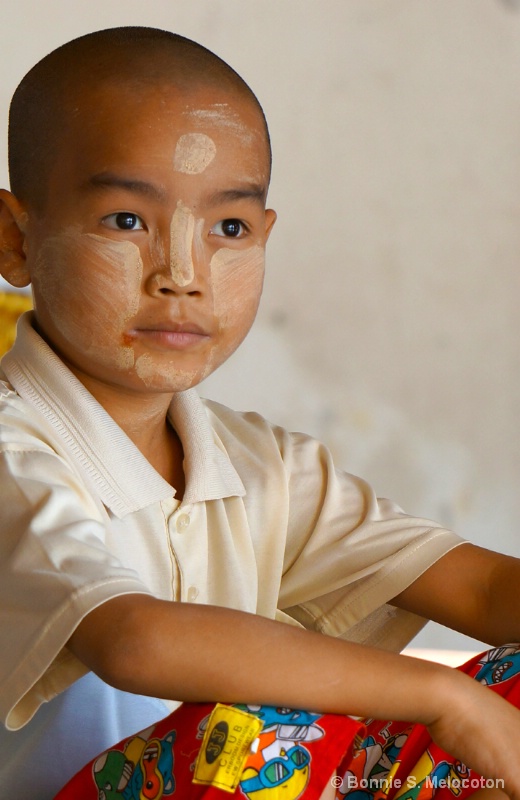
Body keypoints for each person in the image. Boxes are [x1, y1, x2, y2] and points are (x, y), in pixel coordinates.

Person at [0, 26, 519, 800]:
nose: (184, 275)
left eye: (229, 229)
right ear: (14, 240)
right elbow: (134, 637)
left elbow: (479, 592)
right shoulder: (14, 449)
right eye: (126, 221)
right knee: (252, 737)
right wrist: (440, 693)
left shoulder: (261, 464)